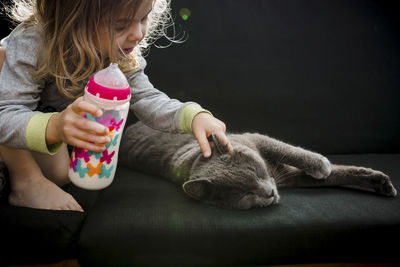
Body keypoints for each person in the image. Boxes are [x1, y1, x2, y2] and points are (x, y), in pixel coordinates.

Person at [0, 0, 232, 211]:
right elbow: (5, 113)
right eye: (121, 25)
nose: (138, 33)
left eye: (143, 18)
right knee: (0, 59)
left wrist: (191, 116)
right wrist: (56, 126)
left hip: (39, 119)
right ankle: (25, 180)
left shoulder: (119, 55)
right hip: (11, 109)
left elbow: (146, 98)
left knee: (60, 175)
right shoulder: (33, 41)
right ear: (71, 21)